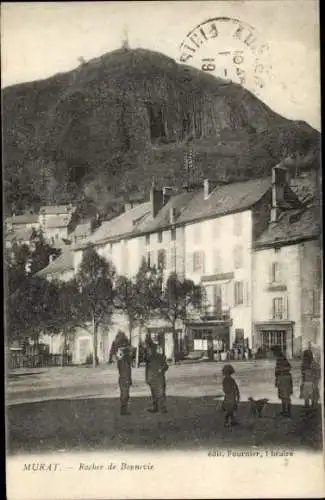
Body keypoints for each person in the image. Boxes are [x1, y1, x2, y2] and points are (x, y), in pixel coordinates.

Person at [145, 341, 169, 413]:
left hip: (159, 378)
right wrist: (147, 379)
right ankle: (155, 408)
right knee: (154, 394)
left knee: (161, 393)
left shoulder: (160, 356)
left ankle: (163, 408)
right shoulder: (148, 359)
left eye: (150, 349)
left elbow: (166, 366)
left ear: (153, 350)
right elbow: (147, 370)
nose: (148, 351)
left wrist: (161, 369)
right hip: (152, 379)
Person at [114, 331, 133, 416]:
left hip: (124, 377)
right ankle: (123, 410)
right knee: (125, 394)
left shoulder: (121, 357)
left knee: (125, 394)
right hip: (124, 377)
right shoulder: (123, 357)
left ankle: (124, 409)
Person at [275, 352, 293, 417]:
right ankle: (286, 411)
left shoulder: (282, 364)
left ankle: (287, 411)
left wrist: (281, 371)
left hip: (284, 380)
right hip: (283, 380)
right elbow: (276, 374)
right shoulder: (281, 364)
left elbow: (277, 373)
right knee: (284, 397)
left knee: (285, 397)